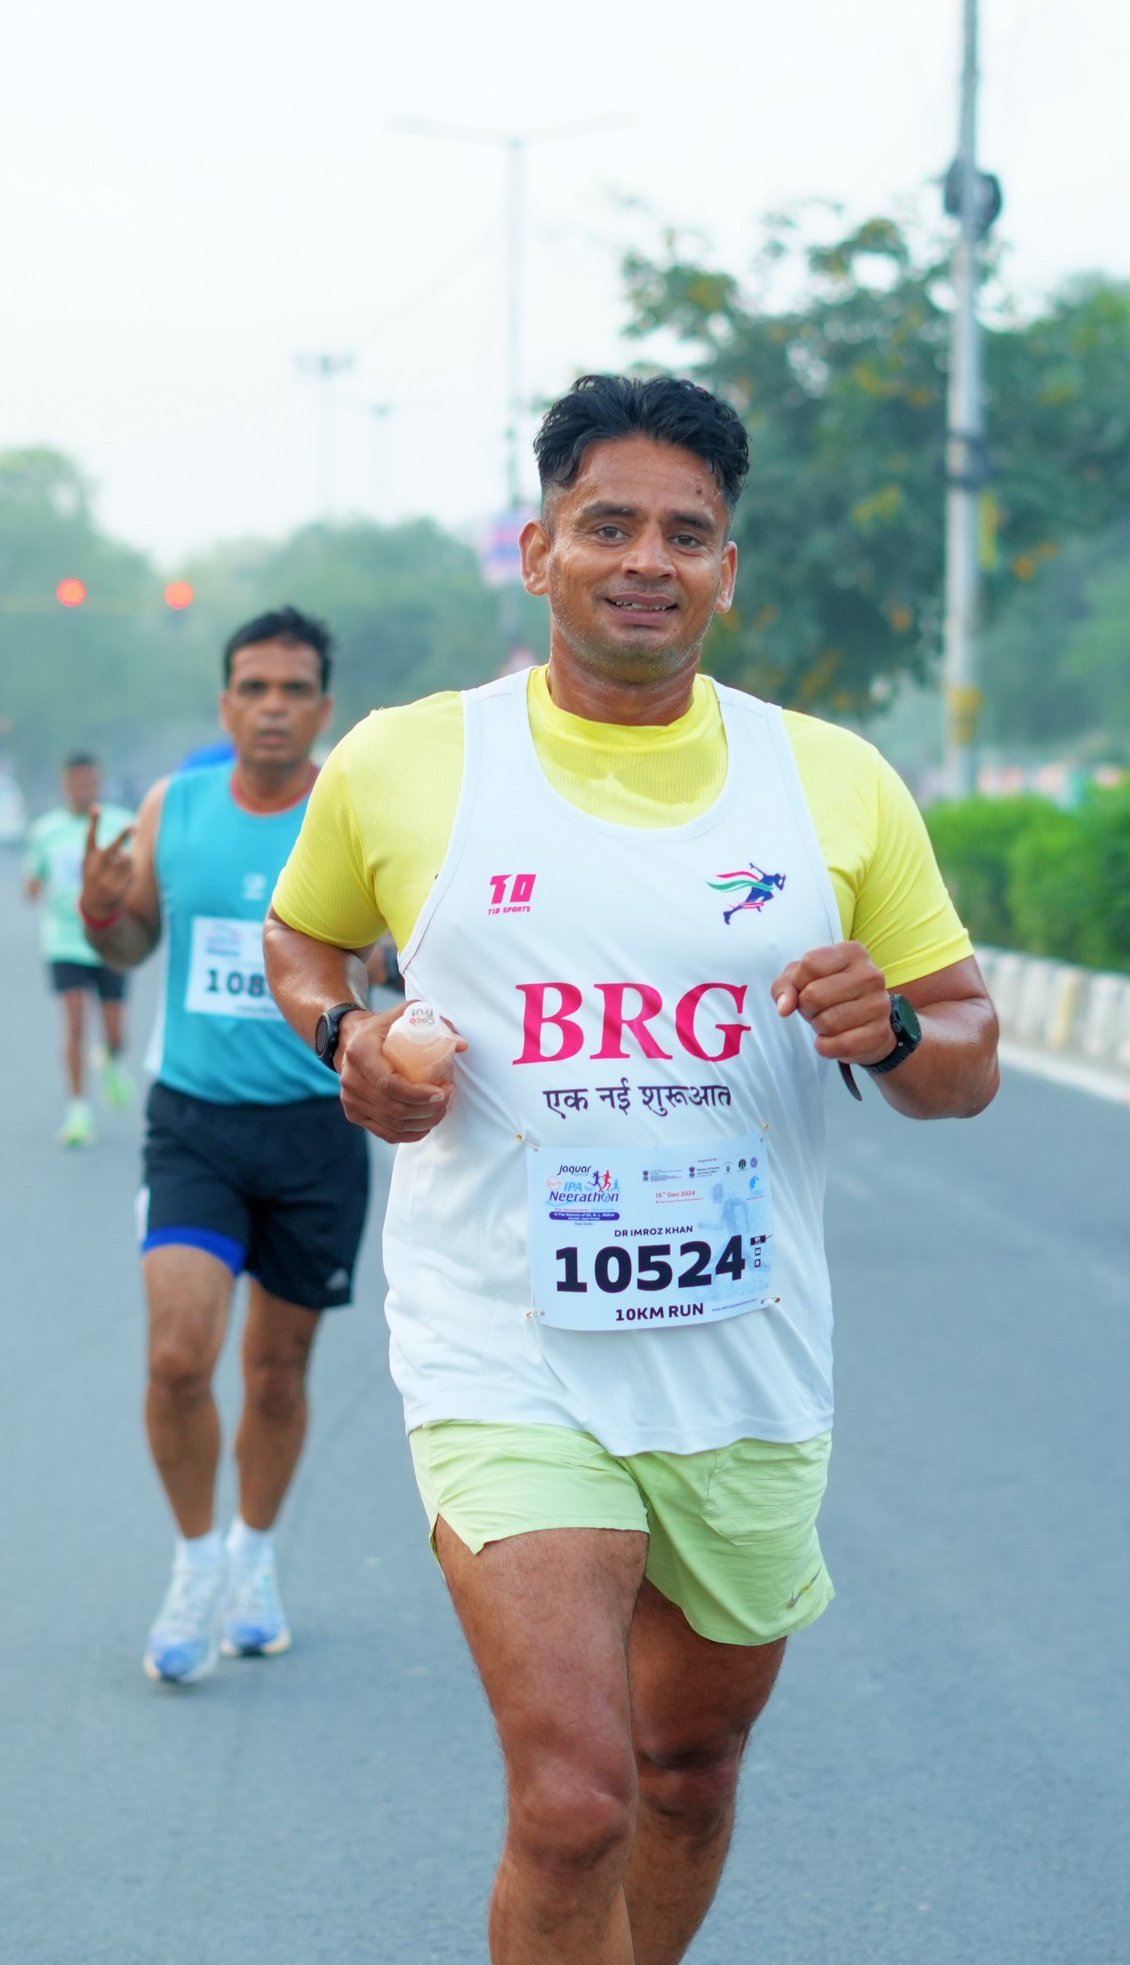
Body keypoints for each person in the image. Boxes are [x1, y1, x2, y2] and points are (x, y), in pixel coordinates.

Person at [262, 374, 1000, 1965]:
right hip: (505, 1353)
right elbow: (304, 942)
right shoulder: (405, 763)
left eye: (688, 532)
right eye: (608, 525)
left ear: (730, 570)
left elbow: (967, 1057)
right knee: (575, 1801)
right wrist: (349, 1041)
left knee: (687, 1774)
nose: (647, 560)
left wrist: (887, 1032)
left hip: (746, 1365)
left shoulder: (834, 782)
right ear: (540, 552)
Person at [77, 608, 371, 1685]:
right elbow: (134, 941)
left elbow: (400, 958)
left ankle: (254, 1557)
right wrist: (102, 917)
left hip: (315, 1132)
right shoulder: (176, 806)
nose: (273, 708)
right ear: (226, 704)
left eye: (294, 690)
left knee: (278, 1374)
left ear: (323, 708)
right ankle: (195, 1562)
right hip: (195, 1125)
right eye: (254, 688)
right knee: (176, 1358)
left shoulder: (355, 816)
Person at [23, 751, 137, 1146]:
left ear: (99, 784)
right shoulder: (46, 831)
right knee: (74, 1021)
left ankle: (111, 1059)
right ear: (64, 785)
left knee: (116, 1032)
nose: (82, 790)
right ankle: (77, 1111)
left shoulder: (122, 825)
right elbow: (32, 883)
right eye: (75, 783)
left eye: (89, 783)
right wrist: (37, 885)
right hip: (65, 941)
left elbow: (138, 877)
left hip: (109, 940)